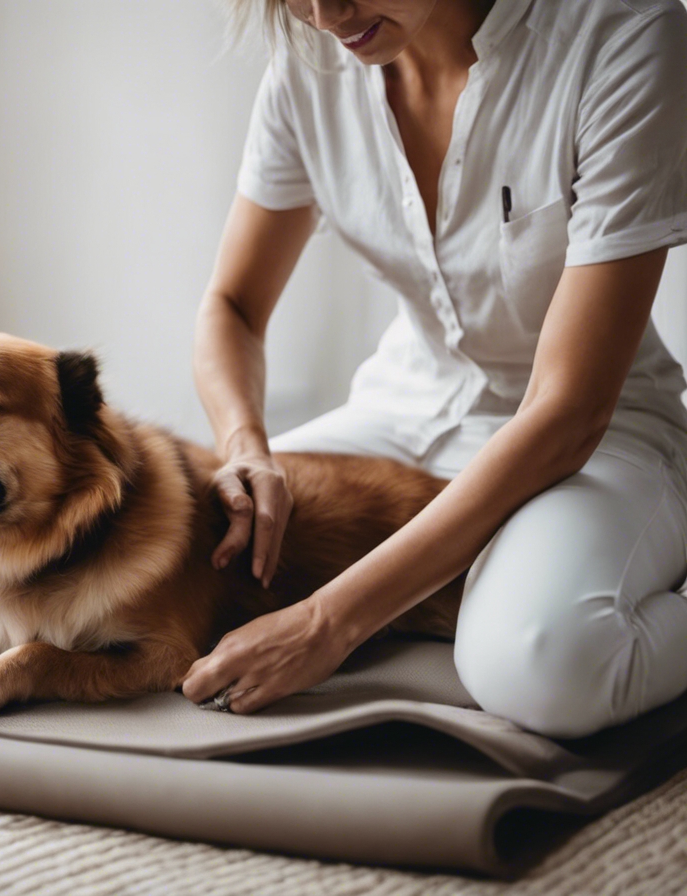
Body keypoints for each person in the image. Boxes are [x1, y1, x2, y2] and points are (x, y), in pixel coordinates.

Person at [179, 0, 687, 738]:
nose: (325, 15)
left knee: (541, 665)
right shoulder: (308, 66)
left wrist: (330, 623)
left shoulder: (625, 37)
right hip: (400, 409)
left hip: (595, 431)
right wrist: (245, 446)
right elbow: (231, 305)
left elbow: (569, 409)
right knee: (184, 550)